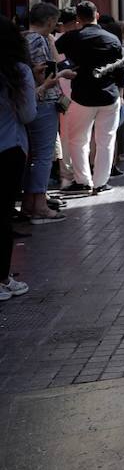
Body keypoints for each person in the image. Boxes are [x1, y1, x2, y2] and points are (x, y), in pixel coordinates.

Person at [54, 1, 123, 196]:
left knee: (78, 140)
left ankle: (83, 180)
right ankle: (101, 182)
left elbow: (55, 48)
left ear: (78, 19)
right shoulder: (112, 39)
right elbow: (119, 69)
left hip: (82, 96)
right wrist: (121, 91)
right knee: (106, 140)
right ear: (97, 16)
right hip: (109, 94)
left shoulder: (71, 38)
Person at [0, 18, 35, 300]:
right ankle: (2, 279)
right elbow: (27, 115)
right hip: (8, 149)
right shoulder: (17, 71)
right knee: (2, 218)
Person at [22, 4, 67, 222]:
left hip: (28, 101)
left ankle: (30, 202)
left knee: (33, 156)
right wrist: (57, 79)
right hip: (44, 101)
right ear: (49, 21)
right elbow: (43, 74)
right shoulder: (39, 40)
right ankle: (39, 205)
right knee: (43, 156)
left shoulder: (22, 38)